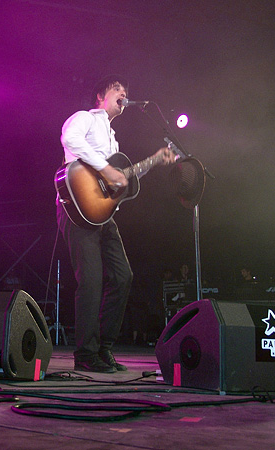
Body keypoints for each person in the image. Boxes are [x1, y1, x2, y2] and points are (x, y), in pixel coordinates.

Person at [56, 75, 177, 373]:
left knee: (123, 276)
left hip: (103, 214)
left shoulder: (114, 139)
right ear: (101, 96)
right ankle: (85, 354)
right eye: (118, 89)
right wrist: (107, 169)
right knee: (92, 280)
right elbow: (69, 139)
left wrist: (153, 161)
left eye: (127, 90)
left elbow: (119, 181)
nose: (124, 93)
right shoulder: (84, 118)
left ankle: (104, 348)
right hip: (76, 206)